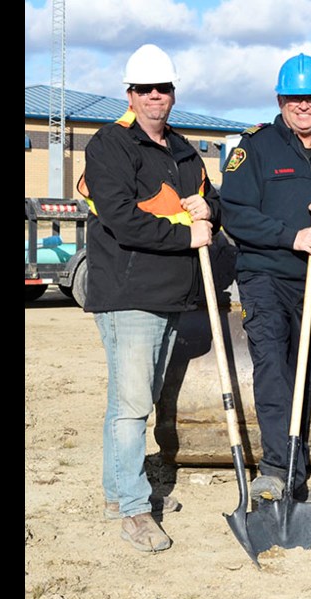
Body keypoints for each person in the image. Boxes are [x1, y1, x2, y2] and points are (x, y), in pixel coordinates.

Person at [79, 43, 220, 552]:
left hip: (170, 295)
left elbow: (210, 201)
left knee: (130, 398)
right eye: (144, 90)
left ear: (173, 93)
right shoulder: (109, 146)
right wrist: (186, 236)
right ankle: (136, 511)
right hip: (128, 294)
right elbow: (120, 217)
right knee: (133, 404)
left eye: (162, 88)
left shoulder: (183, 149)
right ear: (131, 94)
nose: (154, 97)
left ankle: (120, 492)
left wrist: (209, 208)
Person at [219, 53, 311, 508]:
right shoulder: (255, 148)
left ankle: (295, 477)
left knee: (304, 378)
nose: (303, 106)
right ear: (280, 99)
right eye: (294, 98)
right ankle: (273, 472)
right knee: (273, 372)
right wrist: (291, 237)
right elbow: (235, 214)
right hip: (264, 278)